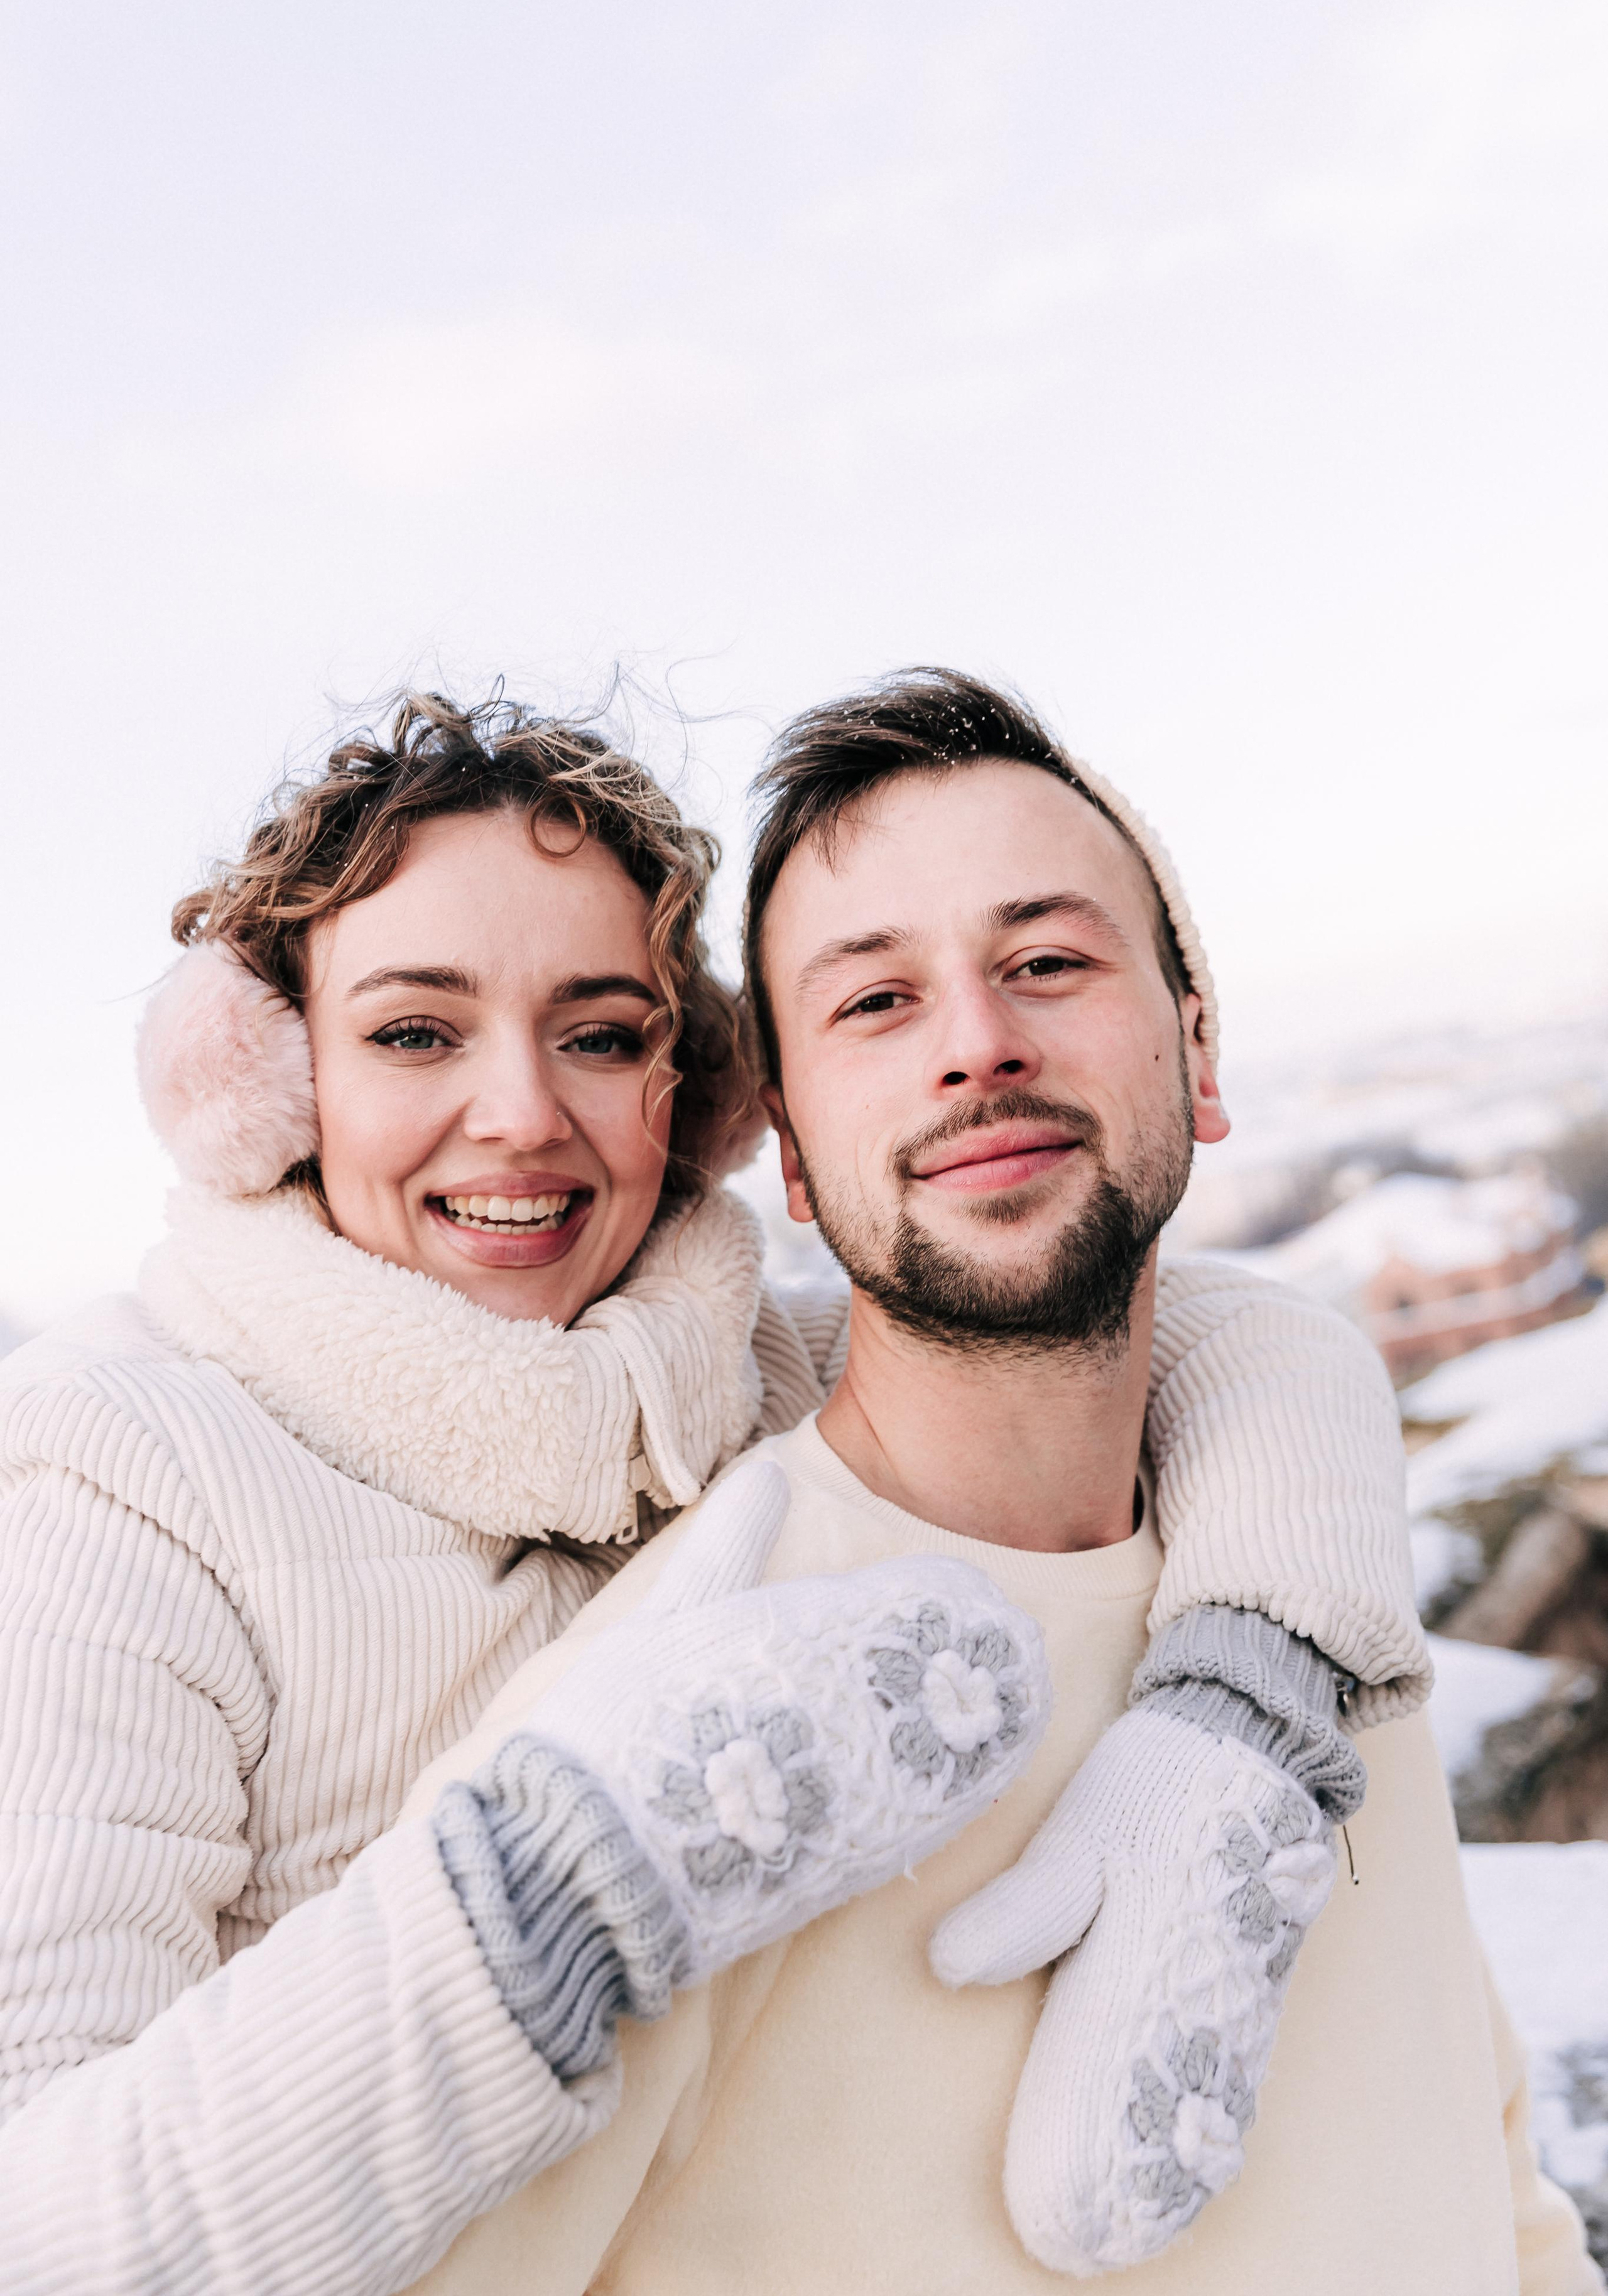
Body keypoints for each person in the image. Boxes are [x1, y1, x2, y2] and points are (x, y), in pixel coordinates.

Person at [0, 690, 1430, 2296]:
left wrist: (1240, 1711)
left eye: (602, 1035)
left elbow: (1211, 1338)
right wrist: (553, 1893)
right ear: (264, 1085)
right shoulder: (122, 1471)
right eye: (414, 1033)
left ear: (697, 1095)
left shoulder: (733, 1372)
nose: (522, 1113)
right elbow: (38, 2235)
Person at [393, 672, 1599, 2295]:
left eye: (1046, 963)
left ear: (1197, 1047)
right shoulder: (678, 1726)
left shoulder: (1300, 1611)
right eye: (875, 1002)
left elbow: (1483, 2173)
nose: (978, 1044)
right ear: (792, 1155)